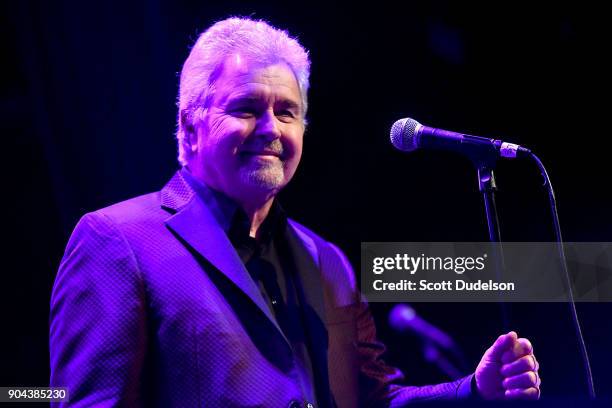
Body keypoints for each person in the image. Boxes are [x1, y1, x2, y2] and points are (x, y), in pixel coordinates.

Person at [49, 17, 540, 407]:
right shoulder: (118, 242)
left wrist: (475, 389)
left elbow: (374, 401)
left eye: (287, 113)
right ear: (191, 125)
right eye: (245, 108)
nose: (271, 129)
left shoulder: (328, 263)